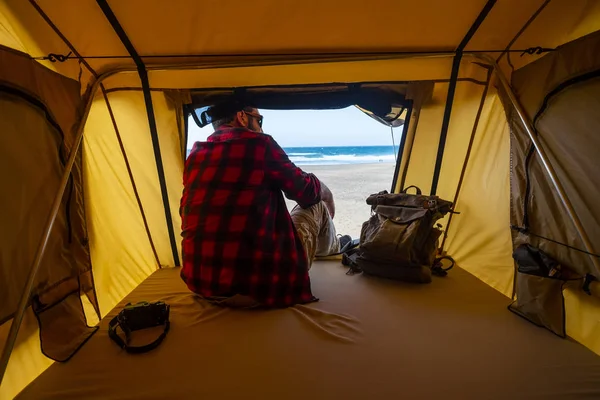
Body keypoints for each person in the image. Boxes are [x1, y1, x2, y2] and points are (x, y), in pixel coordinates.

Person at [180, 102, 351, 308]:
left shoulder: (196, 154)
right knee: (317, 206)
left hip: (201, 284)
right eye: (259, 120)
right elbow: (305, 192)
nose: (261, 127)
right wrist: (327, 193)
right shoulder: (259, 144)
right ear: (242, 117)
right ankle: (333, 249)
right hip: (260, 288)